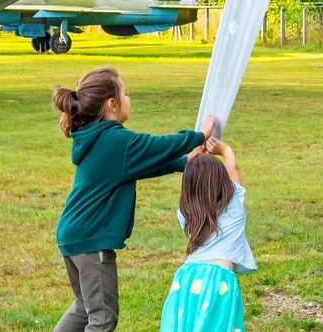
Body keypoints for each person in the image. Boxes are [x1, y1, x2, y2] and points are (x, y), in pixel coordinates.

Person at [52, 66, 214, 332]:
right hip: (91, 241)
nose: (130, 99)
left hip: (73, 235)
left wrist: (184, 162)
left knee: (84, 307)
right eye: (126, 93)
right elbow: (156, 146)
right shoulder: (116, 140)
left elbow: (140, 164)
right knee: (103, 319)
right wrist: (199, 136)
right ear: (112, 104)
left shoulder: (98, 138)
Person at [160, 137, 257, 332]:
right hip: (217, 279)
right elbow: (233, 170)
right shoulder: (234, 206)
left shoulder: (186, 213)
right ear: (223, 181)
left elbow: (194, 187)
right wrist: (225, 149)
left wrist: (193, 162)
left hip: (185, 278)